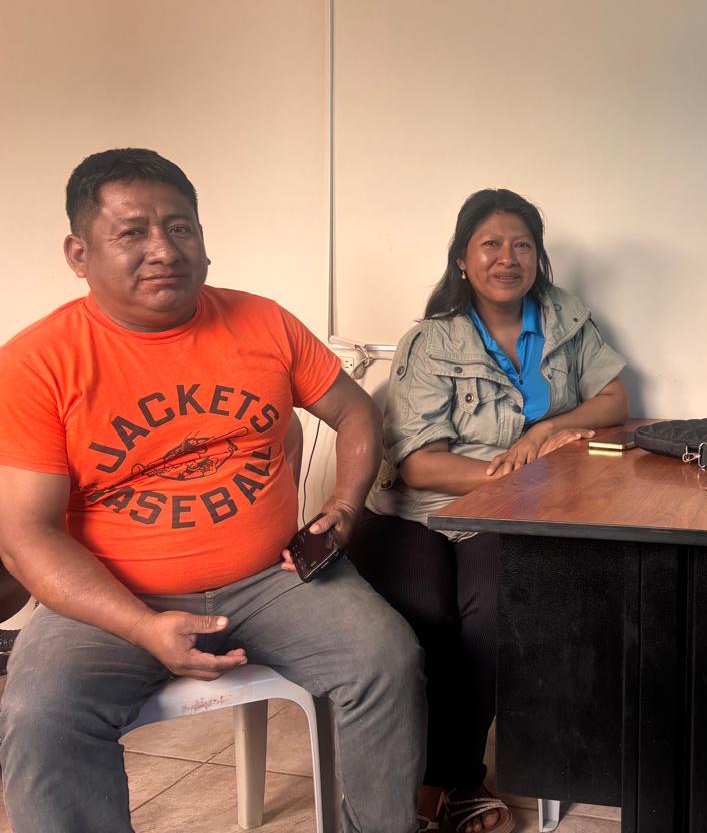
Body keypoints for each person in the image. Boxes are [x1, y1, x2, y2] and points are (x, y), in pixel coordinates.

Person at [0, 149, 426, 833]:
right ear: (79, 254)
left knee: (386, 661)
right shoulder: (36, 363)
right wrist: (142, 627)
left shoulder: (263, 323)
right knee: (41, 715)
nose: (164, 250)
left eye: (181, 228)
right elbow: (26, 534)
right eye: (132, 232)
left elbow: (355, 413)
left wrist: (344, 508)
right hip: (107, 598)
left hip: (271, 580)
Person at [345, 188, 628, 833]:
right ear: (462, 260)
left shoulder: (565, 320)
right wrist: (521, 472)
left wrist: (546, 430)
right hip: (420, 510)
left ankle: (452, 780)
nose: (508, 258)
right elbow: (422, 466)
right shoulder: (430, 340)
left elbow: (614, 399)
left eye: (522, 245)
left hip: (509, 512)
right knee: (426, 615)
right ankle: (429, 778)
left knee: (491, 616)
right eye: (491, 245)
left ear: (538, 258)